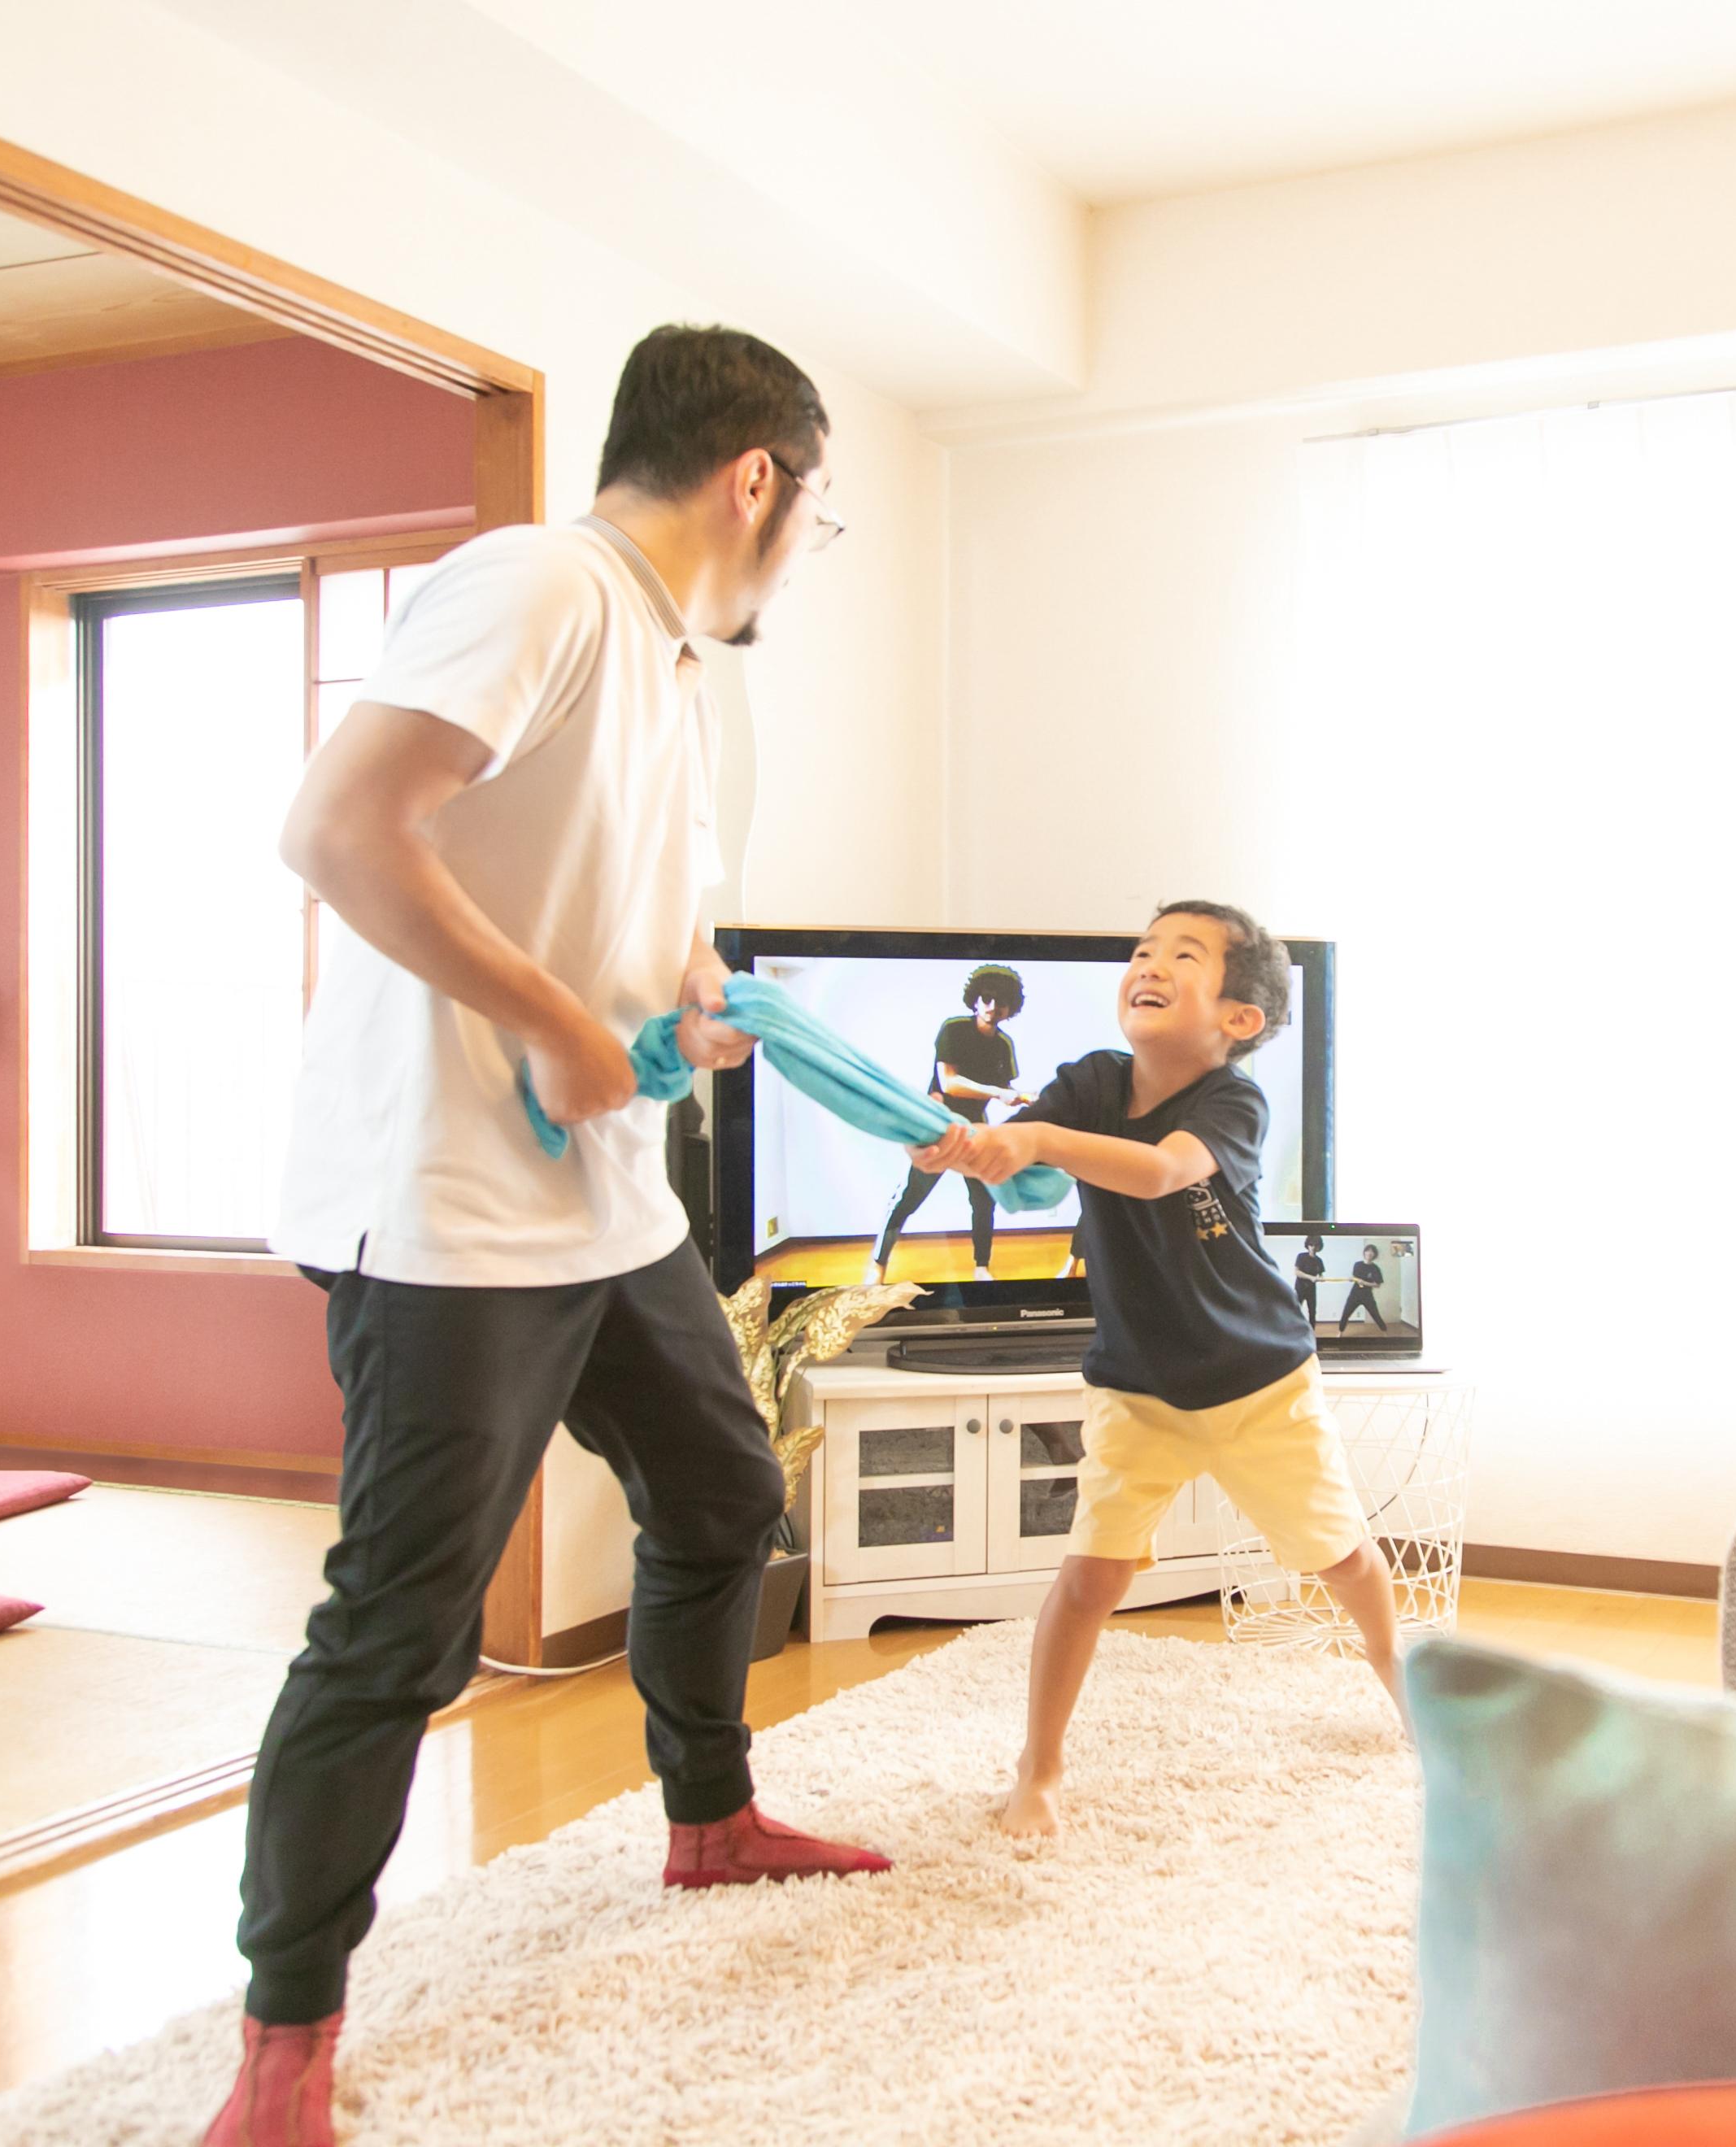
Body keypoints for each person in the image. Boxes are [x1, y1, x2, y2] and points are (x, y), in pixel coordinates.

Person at [209, 325, 890, 2147]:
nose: (802, 556)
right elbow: (341, 831)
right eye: (815, 518)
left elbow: (648, 918)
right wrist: (552, 1023)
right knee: (403, 1628)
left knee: (726, 1496)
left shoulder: (674, 669)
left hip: (603, 1203)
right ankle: (282, 2049)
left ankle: (706, 1816)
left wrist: (689, 999)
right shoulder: (542, 585)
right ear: (760, 479)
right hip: (441, 1208)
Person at [913, 902, 1402, 1836]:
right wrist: (952, 1146)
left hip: (1260, 1380)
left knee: (1340, 1558)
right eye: (1143, 951)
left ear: (1239, 1020)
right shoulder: (1089, 1082)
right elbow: (1013, 1160)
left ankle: (1400, 1674)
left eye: (1184, 955)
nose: (1149, 964)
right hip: (1137, 1387)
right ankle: (1040, 1768)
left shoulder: (1232, 1103)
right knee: (1089, 1579)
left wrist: (1041, 1141)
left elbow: (1161, 1173)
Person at [868, 965, 1030, 1282]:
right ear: (975, 1000)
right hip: (938, 1125)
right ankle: (877, 1265)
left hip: (975, 1130)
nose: (993, 1007)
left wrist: (1023, 1096)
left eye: (1001, 1001)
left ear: (1011, 1007)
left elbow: (1005, 1089)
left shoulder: (1004, 1045)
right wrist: (999, 1093)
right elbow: (950, 1082)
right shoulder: (954, 1029)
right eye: (986, 998)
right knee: (909, 1198)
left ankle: (981, 1267)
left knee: (984, 1201)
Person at [1339, 1245, 1389, 1334]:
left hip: (1367, 1295)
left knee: (1376, 1315)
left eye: (1372, 1252)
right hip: (1354, 1294)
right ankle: (1340, 1333)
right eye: (1368, 1251)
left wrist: (1364, 1283)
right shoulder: (1358, 1265)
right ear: (1364, 1253)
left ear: (1374, 1255)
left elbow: (1377, 1285)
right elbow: (1355, 1277)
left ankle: (1385, 1333)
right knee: (1346, 1314)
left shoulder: (1375, 1268)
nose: (1369, 1253)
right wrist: (1352, 1279)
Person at [1293, 1234, 1329, 1327]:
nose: (1313, 1248)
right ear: (1307, 1245)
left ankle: (1312, 1333)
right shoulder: (1301, 1257)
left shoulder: (1319, 1261)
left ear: (1319, 1247)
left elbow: (1321, 1274)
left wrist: (1321, 1278)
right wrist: (1311, 1277)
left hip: (1311, 1290)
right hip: (1300, 1288)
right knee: (1295, 1310)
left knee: (1312, 1312)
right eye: (1311, 1245)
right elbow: (1297, 1272)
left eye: (1316, 1246)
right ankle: (1294, 1330)